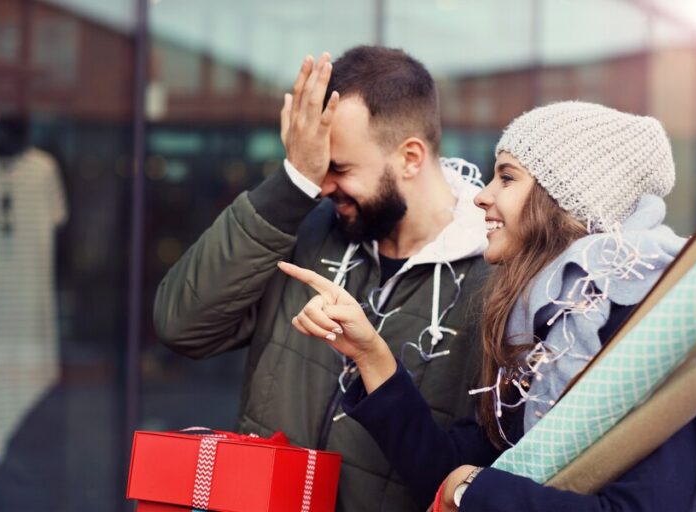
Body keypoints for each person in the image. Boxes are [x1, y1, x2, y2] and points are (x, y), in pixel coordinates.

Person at [280, 101, 696, 511]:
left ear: (567, 200)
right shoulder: (535, 316)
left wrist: (475, 489)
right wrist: (370, 355)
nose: (481, 196)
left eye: (507, 177)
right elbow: (446, 471)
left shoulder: (643, 321)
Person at [153, 46, 490, 511]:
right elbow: (181, 325)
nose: (322, 185)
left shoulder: (492, 278)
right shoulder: (306, 229)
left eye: (339, 168)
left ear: (411, 157)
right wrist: (290, 184)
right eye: (313, 166)